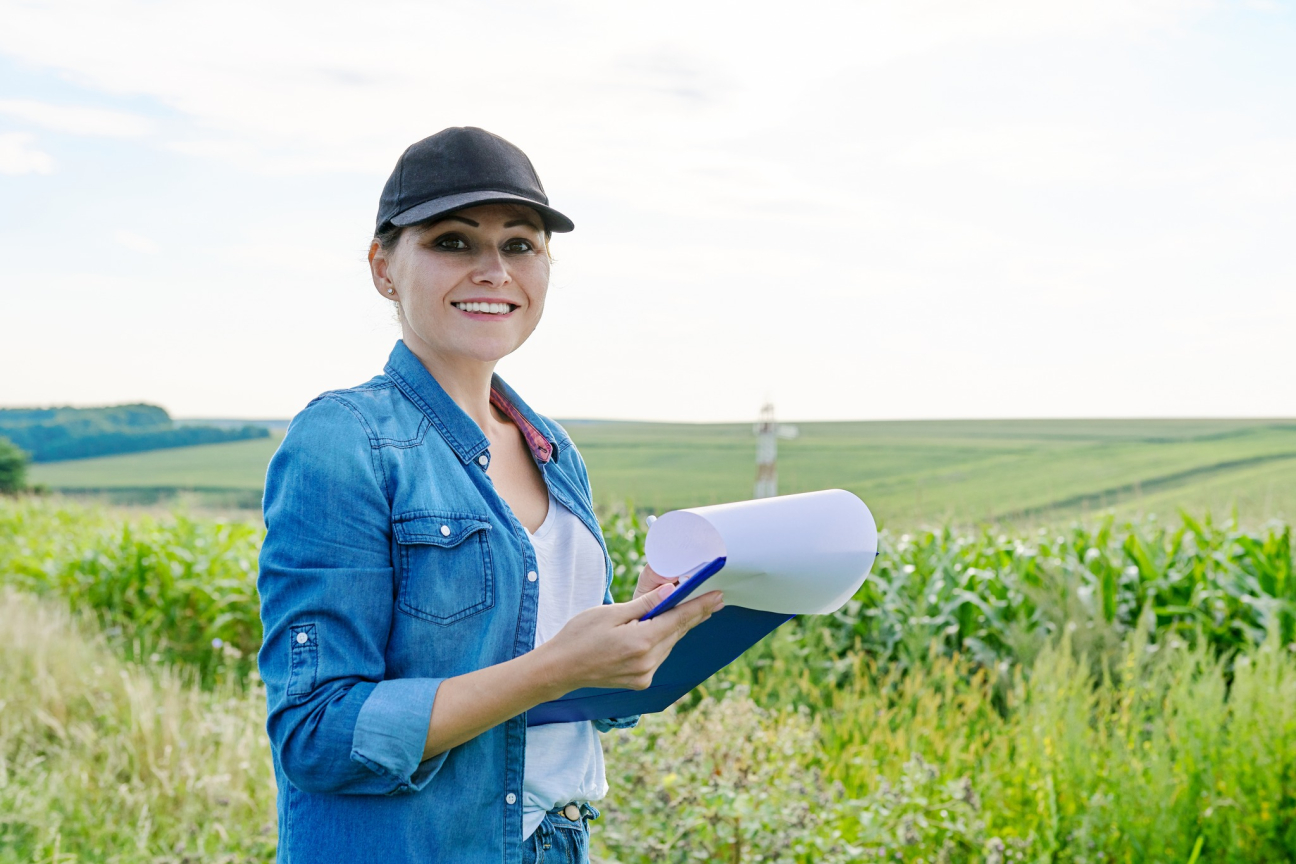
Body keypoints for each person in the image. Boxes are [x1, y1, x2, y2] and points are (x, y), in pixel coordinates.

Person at [256, 127, 723, 864]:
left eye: (519, 245)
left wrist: (637, 636)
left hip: (553, 844)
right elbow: (317, 733)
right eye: (452, 241)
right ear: (384, 266)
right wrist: (558, 667)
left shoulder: (552, 449)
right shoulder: (344, 439)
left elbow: (556, 704)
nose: (493, 271)